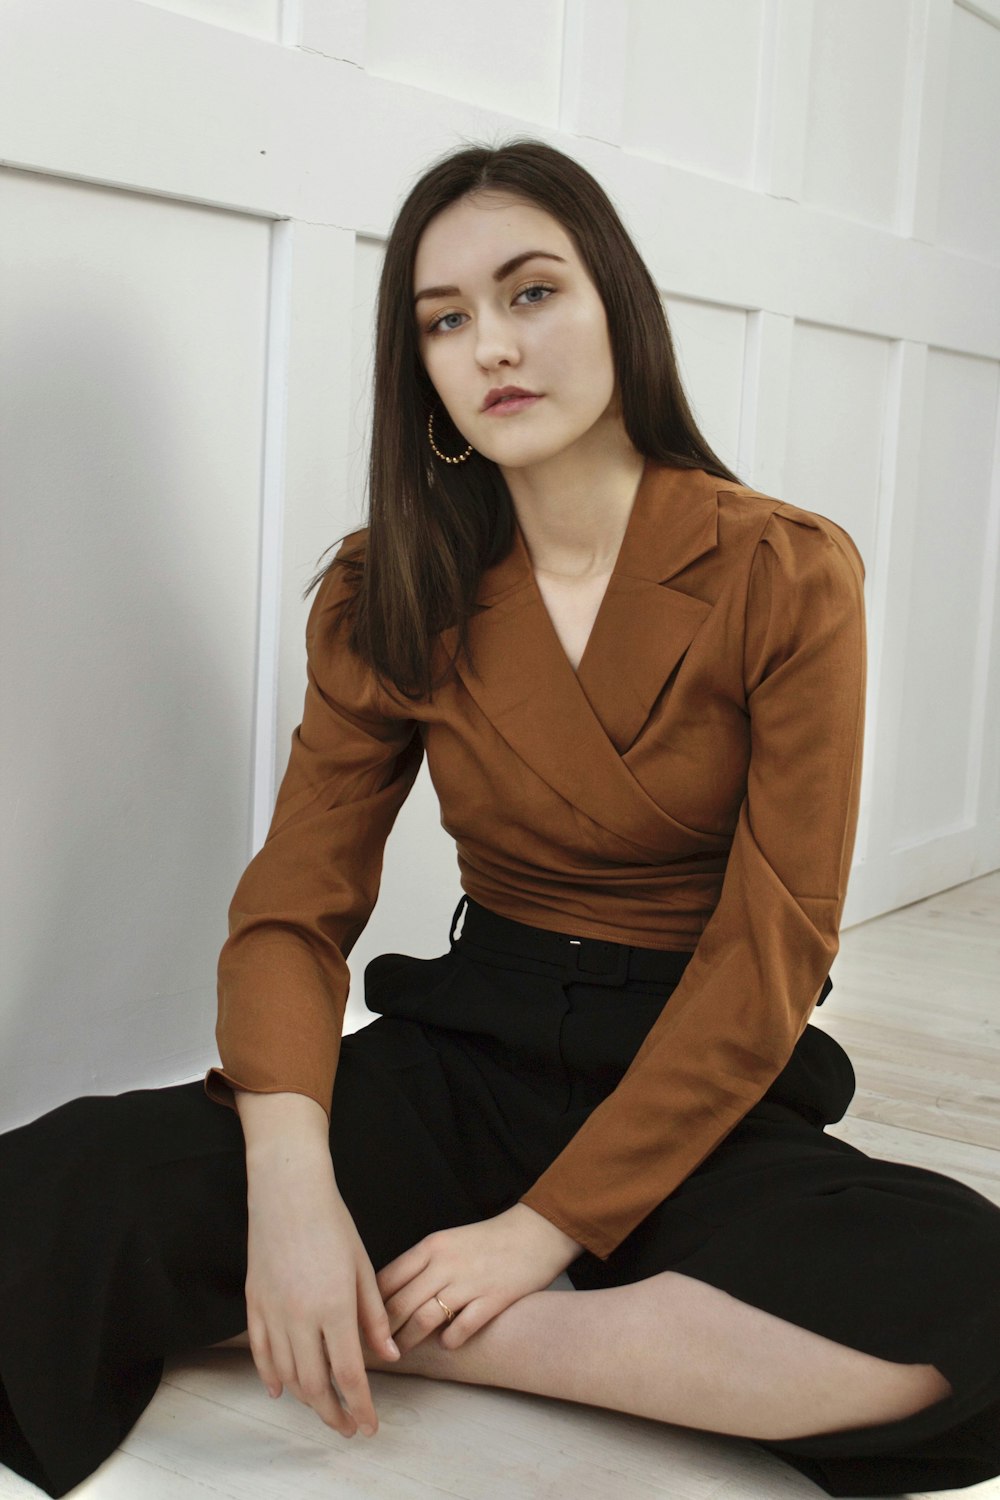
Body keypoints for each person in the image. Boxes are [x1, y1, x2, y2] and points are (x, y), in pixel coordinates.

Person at [1, 137, 998, 1500]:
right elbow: (295, 908)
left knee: (972, 1298)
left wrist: (536, 1238)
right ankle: (326, 1288)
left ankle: (413, 1338)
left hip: (693, 1066)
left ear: (618, 312)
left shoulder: (784, 570)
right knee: (54, 1188)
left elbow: (773, 950)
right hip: (473, 1042)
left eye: (532, 293)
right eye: (446, 321)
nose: (493, 347)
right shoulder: (386, 587)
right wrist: (293, 1195)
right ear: (420, 370)